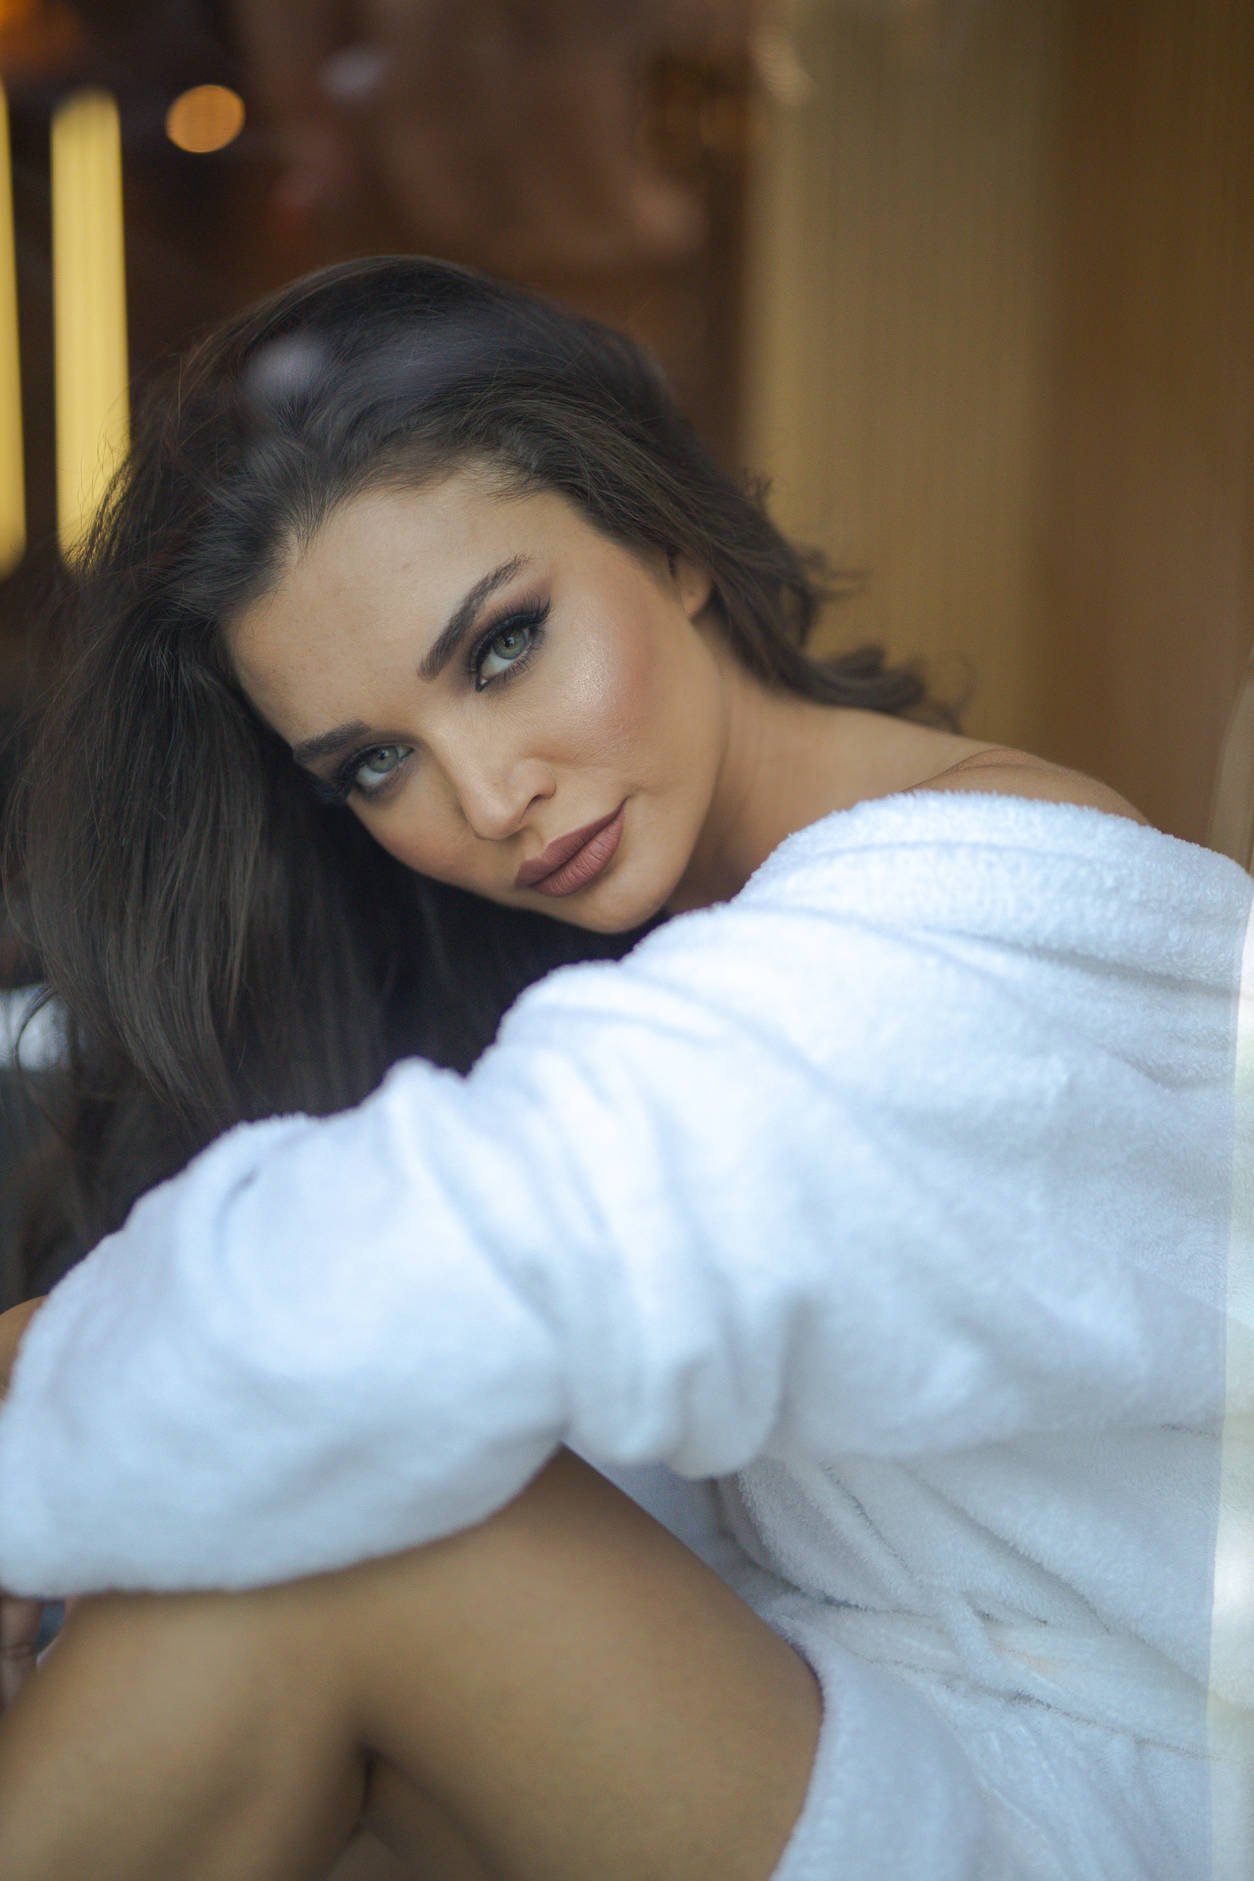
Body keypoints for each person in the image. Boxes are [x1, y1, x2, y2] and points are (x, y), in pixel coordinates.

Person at [0, 254, 1248, 1881]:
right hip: (921, 1706)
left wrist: (33, 1379)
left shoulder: (954, 935)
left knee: (345, 1555)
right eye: (375, 762)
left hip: (1129, 1800)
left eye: (504, 644)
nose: (489, 791)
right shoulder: (718, 938)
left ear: (663, 535)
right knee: (296, 1533)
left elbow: (468, 1250)